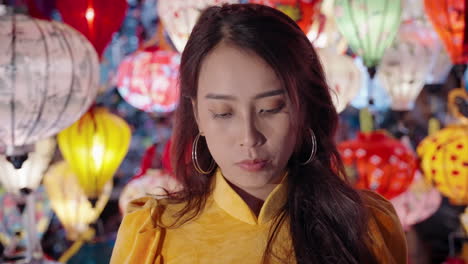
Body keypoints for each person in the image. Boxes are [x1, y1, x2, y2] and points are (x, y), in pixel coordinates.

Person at [110, 3, 407, 264]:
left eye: (271, 108)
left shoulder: (366, 224)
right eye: (223, 113)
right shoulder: (152, 234)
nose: (249, 138)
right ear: (197, 113)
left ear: (304, 107)